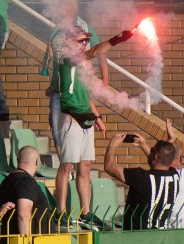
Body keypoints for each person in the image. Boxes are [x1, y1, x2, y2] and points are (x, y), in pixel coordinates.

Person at [55, 26, 133, 230]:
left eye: (85, 40)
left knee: (86, 166)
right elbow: (95, 52)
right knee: (66, 166)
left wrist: (97, 116)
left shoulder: (83, 66)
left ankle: (86, 213)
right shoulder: (68, 57)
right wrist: (117, 39)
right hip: (70, 117)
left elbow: (85, 95)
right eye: (81, 40)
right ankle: (61, 212)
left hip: (86, 117)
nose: (84, 44)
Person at [41, 0, 108, 156]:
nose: (60, 8)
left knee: (75, 130)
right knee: (56, 128)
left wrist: (105, 82)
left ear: (72, 7)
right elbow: (58, 61)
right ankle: (66, 165)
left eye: (63, 4)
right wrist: (52, 84)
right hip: (58, 90)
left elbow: (100, 55)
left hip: (77, 91)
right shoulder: (58, 28)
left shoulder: (84, 28)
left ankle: (71, 165)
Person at [105, 134, 179, 230]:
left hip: (138, 236)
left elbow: (109, 166)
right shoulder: (175, 176)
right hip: (161, 236)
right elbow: (161, 160)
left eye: (152, 150)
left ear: (155, 156)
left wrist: (112, 145)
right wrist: (143, 145)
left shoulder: (142, 178)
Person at [0, 146, 51, 238]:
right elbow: (23, 215)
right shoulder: (26, 182)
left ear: (17, 160)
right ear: (37, 162)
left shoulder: (6, 181)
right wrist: (26, 241)